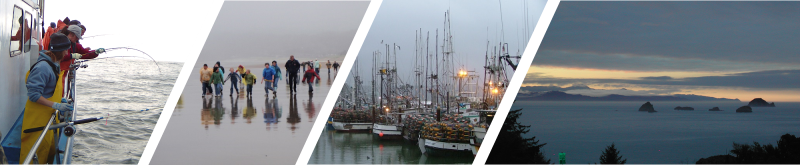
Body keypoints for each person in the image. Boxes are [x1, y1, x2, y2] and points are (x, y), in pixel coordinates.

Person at [21, 33, 74, 164]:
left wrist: (58, 101)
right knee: (33, 154)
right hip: (36, 121)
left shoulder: (53, 64)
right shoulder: (43, 68)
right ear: (60, 50)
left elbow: (48, 90)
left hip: (47, 119)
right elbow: (34, 95)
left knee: (46, 151)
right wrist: (55, 105)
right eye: (66, 50)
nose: (67, 53)